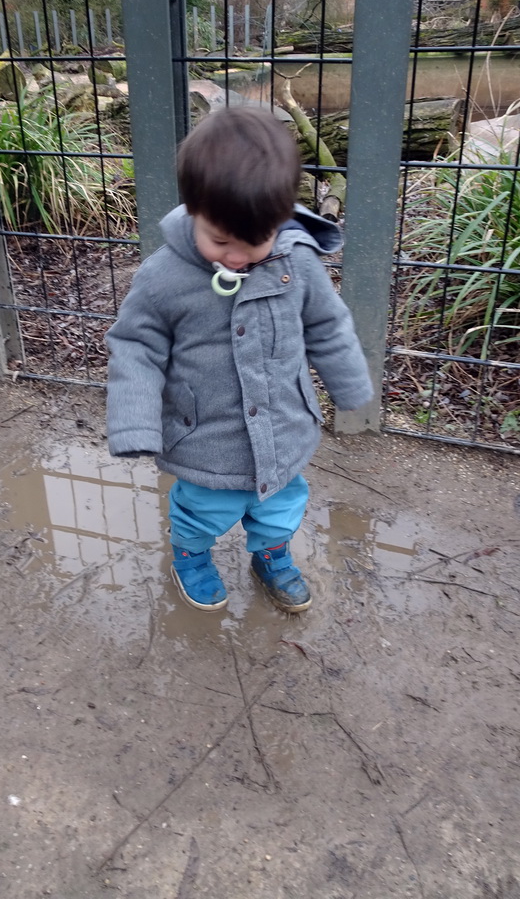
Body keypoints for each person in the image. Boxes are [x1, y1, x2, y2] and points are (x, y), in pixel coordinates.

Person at [105, 106, 373, 614]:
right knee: (204, 509)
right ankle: (191, 556)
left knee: (281, 504)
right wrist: (135, 423)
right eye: (220, 240)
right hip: (205, 434)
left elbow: (327, 323)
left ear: (280, 219)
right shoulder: (164, 277)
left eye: (254, 243)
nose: (234, 257)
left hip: (282, 425)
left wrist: (349, 384)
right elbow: (135, 345)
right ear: (193, 209)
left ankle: (271, 555)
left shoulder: (297, 262)